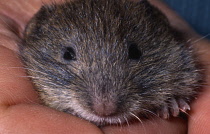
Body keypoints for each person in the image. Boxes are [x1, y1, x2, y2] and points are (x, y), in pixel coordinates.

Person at [0, 0, 209, 133]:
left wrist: (175, 99)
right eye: (69, 55)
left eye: (133, 54)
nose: (104, 105)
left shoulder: (168, 51)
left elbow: (183, 68)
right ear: (33, 32)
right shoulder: (34, 54)